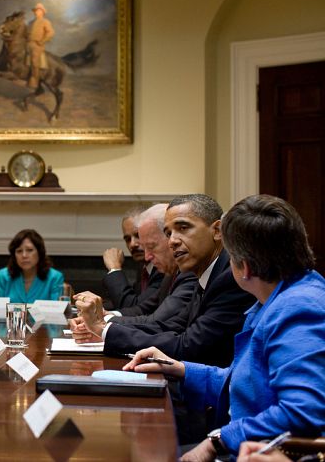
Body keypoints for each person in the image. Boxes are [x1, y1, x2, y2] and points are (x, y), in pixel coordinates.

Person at [123, 195, 325, 462]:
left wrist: (217, 442)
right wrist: (180, 369)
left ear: (245, 267)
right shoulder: (275, 300)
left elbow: (303, 411)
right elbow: (247, 383)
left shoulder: (299, 307)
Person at [70, 194, 255, 368]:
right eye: (168, 233)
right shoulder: (206, 273)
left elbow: (188, 346)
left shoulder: (230, 277)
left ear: (217, 230)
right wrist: (104, 331)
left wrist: (103, 329)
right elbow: (168, 326)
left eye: (183, 228)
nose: (172, 241)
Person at [103, 204, 197, 325]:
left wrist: (104, 322)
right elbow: (144, 308)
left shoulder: (188, 272)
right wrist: (105, 315)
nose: (133, 244)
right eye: (127, 239)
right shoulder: (164, 271)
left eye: (151, 246)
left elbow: (157, 320)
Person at [102, 205, 165, 311]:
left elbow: (132, 306)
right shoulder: (144, 267)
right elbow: (133, 301)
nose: (132, 244)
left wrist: (114, 269)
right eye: (127, 239)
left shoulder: (163, 268)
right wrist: (96, 305)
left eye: (138, 235)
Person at [0, 229, 64, 303]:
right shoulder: (3, 276)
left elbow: (56, 311)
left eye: (29, 250)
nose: (24, 255)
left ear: (40, 252)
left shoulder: (55, 277)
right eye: (19, 251)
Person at [27, 3, 55, 89]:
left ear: (42, 12)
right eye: (35, 10)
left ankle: (34, 81)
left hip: (37, 45)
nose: (36, 12)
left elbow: (51, 33)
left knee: (34, 61)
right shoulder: (30, 22)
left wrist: (42, 41)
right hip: (28, 43)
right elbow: (26, 33)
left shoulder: (45, 22)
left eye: (38, 10)